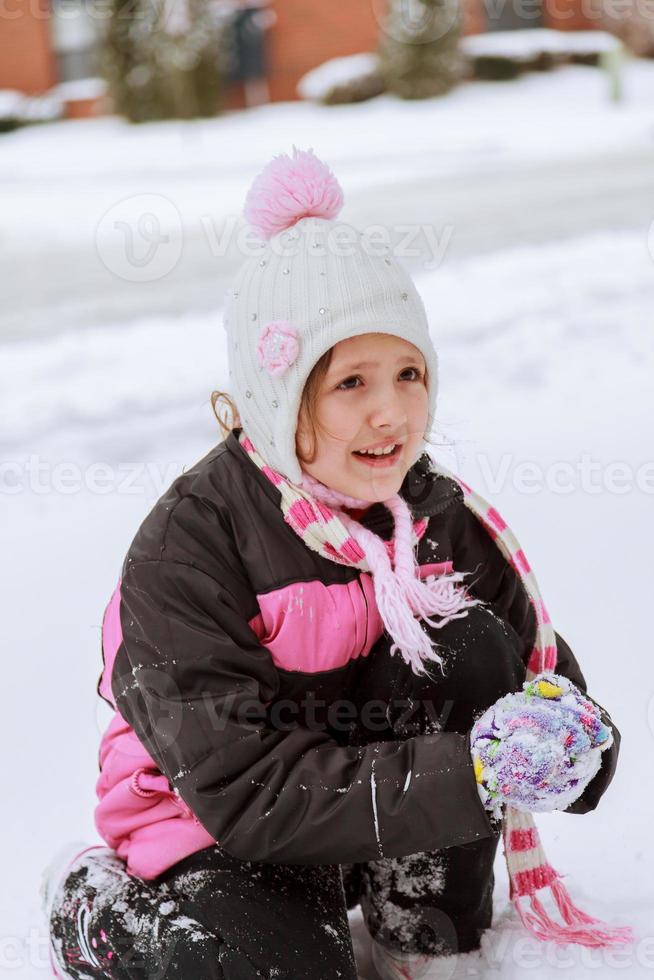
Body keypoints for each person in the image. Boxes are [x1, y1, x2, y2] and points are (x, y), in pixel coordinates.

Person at [41, 147, 629, 980]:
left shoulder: (434, 514)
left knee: (469, 637)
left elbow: (538, 664)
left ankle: (419, 920)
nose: (392, 411)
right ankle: (96, 911)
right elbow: (243, 790)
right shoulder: (191, 544)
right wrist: (470, 772)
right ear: (281, 399)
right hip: (218, 821)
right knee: (282, 968)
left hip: (369, 806)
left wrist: (572, 741)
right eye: (350, 381)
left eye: (409, 373)